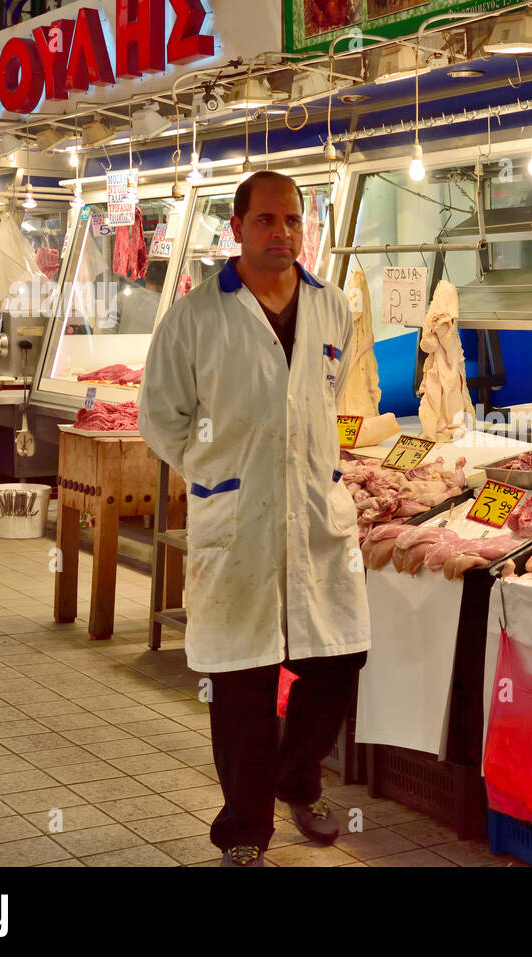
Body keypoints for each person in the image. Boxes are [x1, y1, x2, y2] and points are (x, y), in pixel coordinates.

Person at [138, 171, 369, 868]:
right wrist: (214, 474)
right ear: (235, 227)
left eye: (293, 220)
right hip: (235, 520)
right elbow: (160, 417)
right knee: (241, 683)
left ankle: (299, 778)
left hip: (314, 518)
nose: (283, 233)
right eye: (267, 219)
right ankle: (244, 828)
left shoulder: (332, 308)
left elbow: (327, 402)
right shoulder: (197, 315)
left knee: (338, 655)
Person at [115, 259, 168, 335]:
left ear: (145, 276)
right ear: (167, 281)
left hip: (124, 345)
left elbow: (107, 329)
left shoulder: (122, 297)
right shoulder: (171, 304)